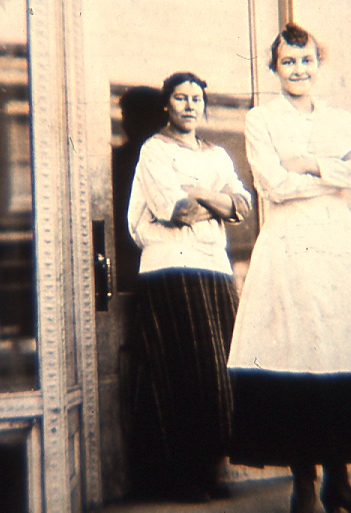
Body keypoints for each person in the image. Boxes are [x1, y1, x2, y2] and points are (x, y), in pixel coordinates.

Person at [227, 23, 351, 513]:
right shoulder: (260, 120)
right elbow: (273, 185)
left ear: (318, 63)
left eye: (306, 60)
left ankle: (340, 482)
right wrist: (333, 175)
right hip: (289, 246)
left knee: (344, 352)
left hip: (336, 246)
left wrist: (310, 162)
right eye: (288, 62)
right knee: (296, 355)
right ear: (275, 68)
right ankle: (304, 482)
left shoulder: (337, 117)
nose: (298, 69)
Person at [125, 71, 252, 501]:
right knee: (178, 372)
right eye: (181, 98)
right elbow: (175, 209)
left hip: (214, 269)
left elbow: (244, 206)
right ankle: (180, 476)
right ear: (167, 105)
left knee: (217, 372)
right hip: (170, 271)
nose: (190, 105)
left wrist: (205, 194)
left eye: (196, 98)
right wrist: (217, 203)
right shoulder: (153, 151)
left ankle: (208, 468)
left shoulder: (217, 154)